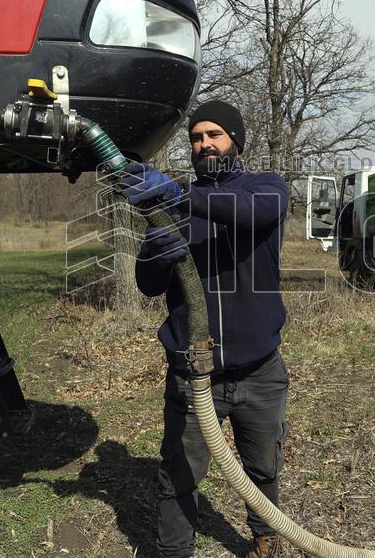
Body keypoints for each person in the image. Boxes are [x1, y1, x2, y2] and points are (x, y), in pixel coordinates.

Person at [118, 100, 290, 558]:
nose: (204, 144)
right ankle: (174, 552)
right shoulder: (175, 207)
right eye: (196, 137)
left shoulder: (265, 188)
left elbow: (249, 213)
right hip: (193, 376)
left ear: (236, 140)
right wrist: (156, 244)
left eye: (214, 134)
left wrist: (174, 195)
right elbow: (149, 286)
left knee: (263, 467)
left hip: (259, 372)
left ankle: (265, 537)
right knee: (180, 475)